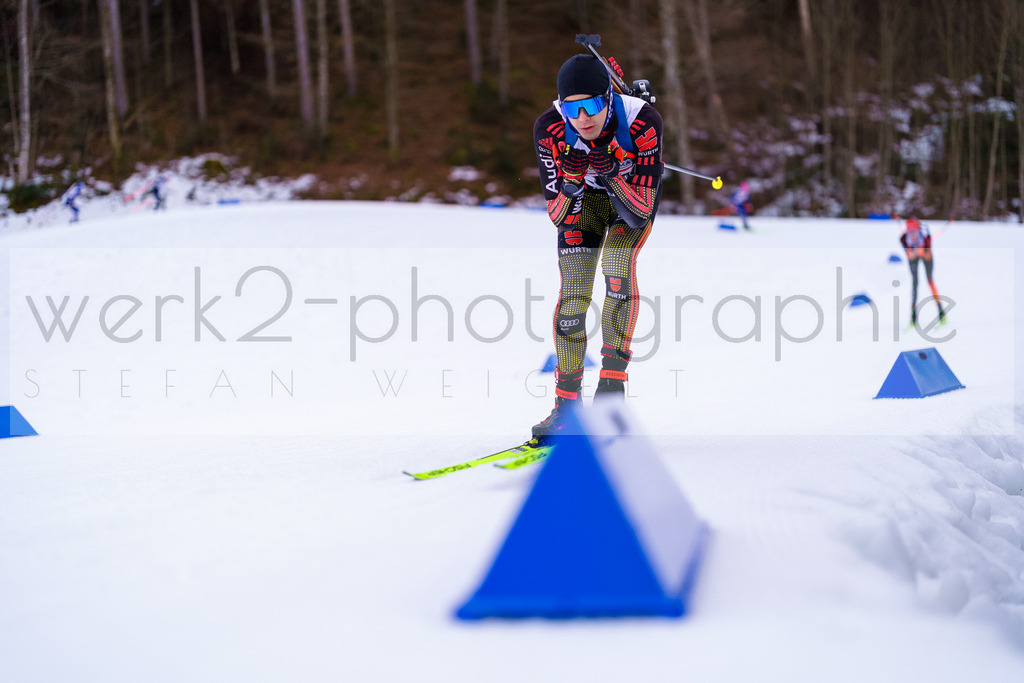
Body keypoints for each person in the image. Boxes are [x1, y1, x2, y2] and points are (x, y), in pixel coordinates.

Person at [530, 53, 664, 440]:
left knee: (617, 265)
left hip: (629, 201)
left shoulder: (641, 120)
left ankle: (611, 391)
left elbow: (640, 211)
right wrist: (572, 180)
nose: (582, 118)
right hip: (584, 204)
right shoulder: (550, 128)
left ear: (608, 98)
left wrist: (610, 173)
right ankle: (566, 407)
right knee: (574, 292)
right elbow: (557, 214)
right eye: (571, 109)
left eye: (590, 106)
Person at [900, 216, 946, 326]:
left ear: (918, 230)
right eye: (910, 232)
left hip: (926, 254)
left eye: (914, 232)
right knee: (915, 283)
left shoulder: (926, 237)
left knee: (930, 281)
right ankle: (913, 319)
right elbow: (909, 255)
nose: (913, 235)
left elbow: (928, 256)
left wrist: (922, 251)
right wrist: (915, 252)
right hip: (914, 255)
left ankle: (942, 314)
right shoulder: (904, 239)